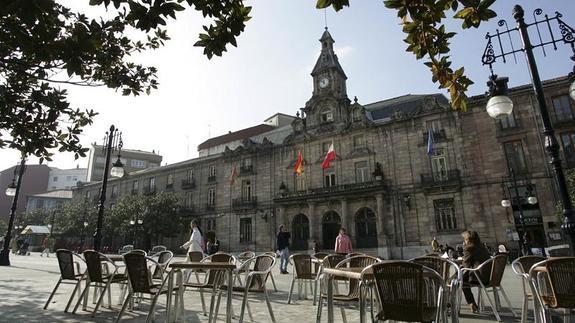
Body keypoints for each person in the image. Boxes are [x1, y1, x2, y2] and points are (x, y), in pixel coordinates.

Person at [461, 230, 491, 313]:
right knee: (461, 277)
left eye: (464, 239)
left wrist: (464, 253)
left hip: (480, 278)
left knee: (459, 280)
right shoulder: (482, 247)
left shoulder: (469, 248)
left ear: (468, 240)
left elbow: (466, 266)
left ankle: (471, 303)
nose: (464, 241)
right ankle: (471, 303)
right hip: (490, 277)